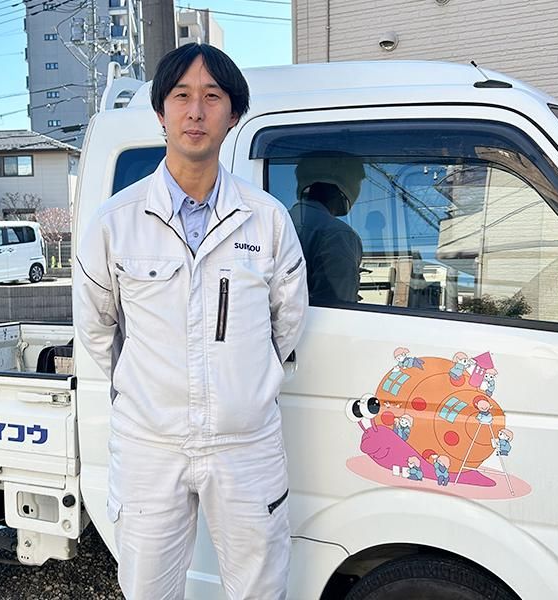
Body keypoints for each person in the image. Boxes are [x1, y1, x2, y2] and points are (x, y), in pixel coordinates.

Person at [74, 43, 308, 600]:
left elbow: (288, 320)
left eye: (212, 96)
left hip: (246, 443)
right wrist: (144, 392)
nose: (196, 111)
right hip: (150, 444)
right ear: (160, 112)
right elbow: (96, 329)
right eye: (181, 96)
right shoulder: (116, 222)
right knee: (147, 589)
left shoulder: (268, 221)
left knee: (260, 589)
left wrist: (245, 386)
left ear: (234, 113)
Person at [288, 152, 365, 306]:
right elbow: (340, 305)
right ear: (343, 186)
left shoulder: (279, 223)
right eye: (358, 182)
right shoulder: (338, 234)